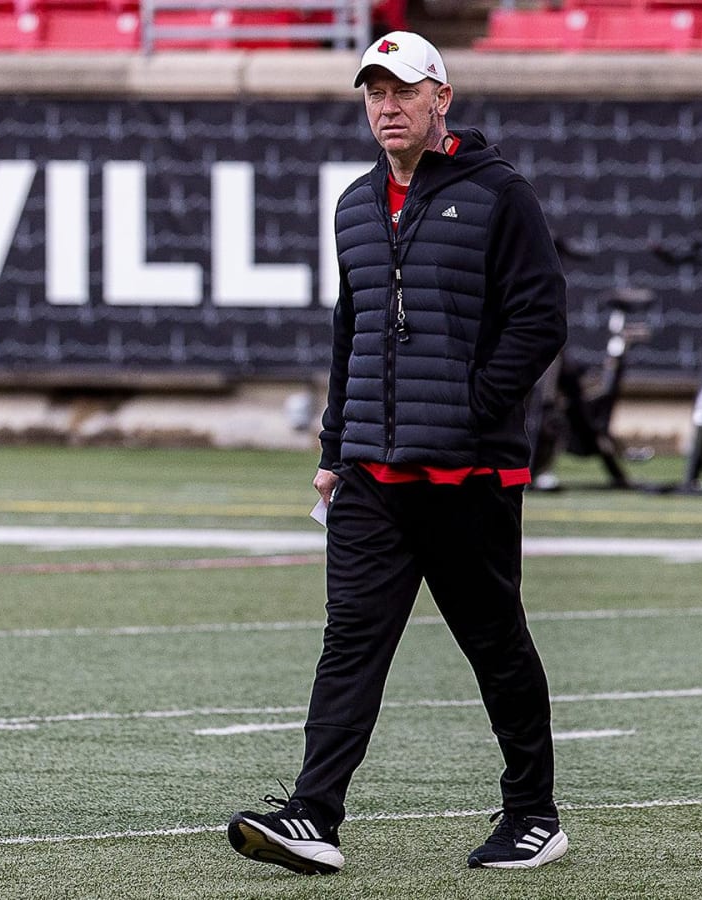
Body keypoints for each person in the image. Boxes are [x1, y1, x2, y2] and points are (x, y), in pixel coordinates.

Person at [227, 31, 569, 875]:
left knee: (495, 644)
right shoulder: (352, 203)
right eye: (374, 92)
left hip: (468, 474)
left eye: (403, 91)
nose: (387, 106)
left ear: (440, 98)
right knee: (350, 640)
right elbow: (353, 334)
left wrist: (472, 408)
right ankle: (313, 814)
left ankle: (534, 813)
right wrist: (335, 446)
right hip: (373, 476)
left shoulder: (500, 196)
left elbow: (541, 320)